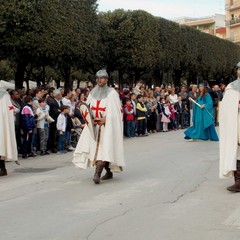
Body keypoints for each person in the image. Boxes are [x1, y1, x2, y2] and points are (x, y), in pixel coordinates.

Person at [73, 70, 125, 184]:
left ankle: (97, 174)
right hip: (94, 126)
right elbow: (87, 109)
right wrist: (91, 120)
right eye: (97, 78)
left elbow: (117, 113)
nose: (99, 80)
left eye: (101, 78)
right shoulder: (93, 93)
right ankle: (108, 171)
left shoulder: (112, 94)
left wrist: (106, 119)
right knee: (98, 150)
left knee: (104, 149)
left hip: (107, 127)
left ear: (106, 79)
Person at [219, 62, 240, 192]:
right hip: (236, 123)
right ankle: (238, 181)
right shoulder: (231, 88)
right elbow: (226, 107)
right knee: (236, 150)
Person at [0, 88, 18, 176]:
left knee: (2, 145)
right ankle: (2, 169)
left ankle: (2, 169)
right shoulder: (5, 95)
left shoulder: (4, 95)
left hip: (2, 125)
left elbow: (10, 109)